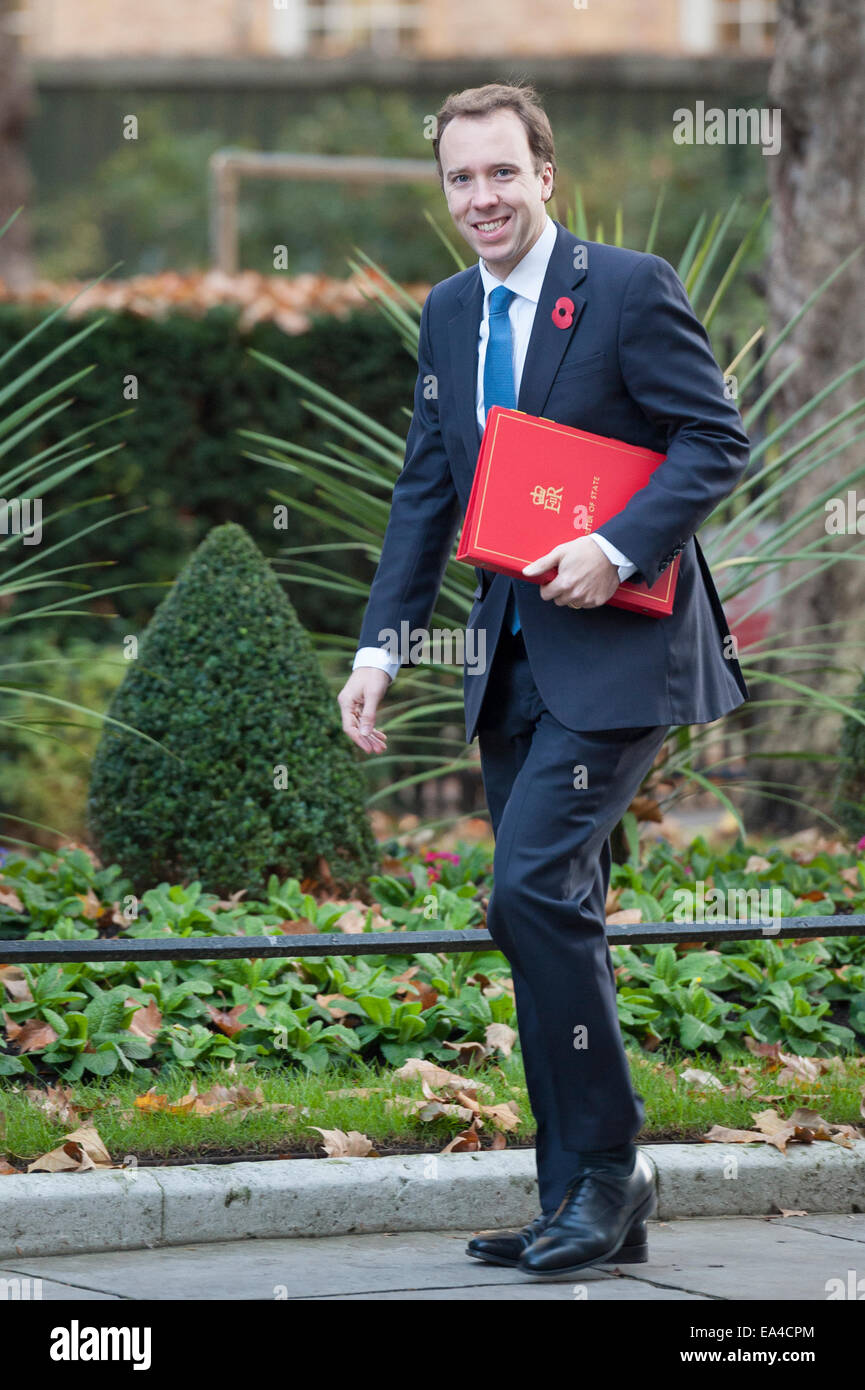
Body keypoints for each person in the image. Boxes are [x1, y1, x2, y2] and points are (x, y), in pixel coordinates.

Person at [337, 82, 749, 1279]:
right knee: (548, 914)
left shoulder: (625, 288)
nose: (481, 198)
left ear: (545, 175)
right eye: (460, 178)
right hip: (508, 659)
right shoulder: (450, 312)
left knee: (527, 892)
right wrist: (379, 650)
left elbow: (712, 438)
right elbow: (429, 487)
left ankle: (609, 1170)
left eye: (501, 173)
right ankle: (577, 1193)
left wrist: (615, 542)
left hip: (621, 648)